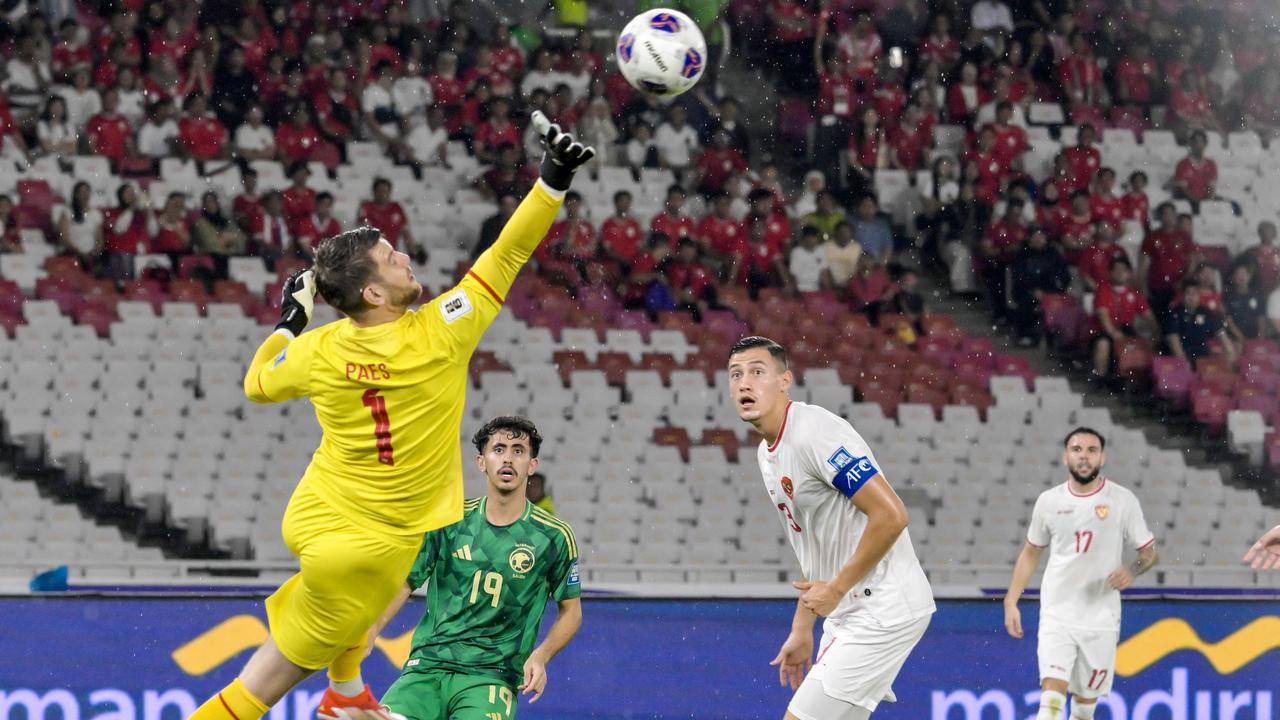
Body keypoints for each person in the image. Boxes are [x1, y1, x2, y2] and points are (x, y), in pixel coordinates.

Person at [186, 112, 593, 720]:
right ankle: (342, 692)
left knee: (312, 658)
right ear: (374, 294)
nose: (403, 256)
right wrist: (552, 182)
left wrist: (288, 324)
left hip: (316, 517)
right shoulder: (442, 332)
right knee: (254, 693)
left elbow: (256, 385)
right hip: (372, 552)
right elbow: (506, 255)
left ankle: (345, 688)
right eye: (389, 258)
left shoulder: (320, 348)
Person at [727, 337, 934, 720]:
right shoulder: (767, 453)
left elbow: (892, 515)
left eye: (757, 372)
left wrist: (836, 590)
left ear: (784, 381)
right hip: (849, 612)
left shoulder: (814, 433)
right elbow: (814, 543)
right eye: (736, 374)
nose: (744, 383)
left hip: (883, 606)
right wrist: (802, 627)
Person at [367, 417, 581, 720]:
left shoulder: (554, 537)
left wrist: (541, 656)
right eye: (498, 449)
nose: (508, 458)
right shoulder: (448, 520)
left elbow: (571, 611)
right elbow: (405, 582)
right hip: (427, 668)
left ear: (532, 465)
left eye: (519, 451)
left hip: (491, 677)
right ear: (482, 462)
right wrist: (372, 628)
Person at [1003, 427, 1158, 720]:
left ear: (1102, 458)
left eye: (1091, 450)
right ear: (1065, 458)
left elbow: (1149, 553)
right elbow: (1031, 552)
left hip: (1101, 619)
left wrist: (1132, 570)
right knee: (1050, 705)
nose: (1084, 457)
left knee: (1084, 711)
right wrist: (1011, 600)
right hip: (1057, 613)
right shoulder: (1049, 502)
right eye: (1077, 450)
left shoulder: (1122, 501)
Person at [1092, 258, 1156, 380]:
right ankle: (1100, 380)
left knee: (1142, 345)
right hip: (1104, 331)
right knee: (1103, 345)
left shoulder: (1135, 293)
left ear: (1129, 273)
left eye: (1124, 270)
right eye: (1116, 269)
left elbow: (1149, 316)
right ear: (1110, 272)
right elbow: (1104, 317)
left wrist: (1156, 333)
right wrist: (1115, 334)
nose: (1120, 272)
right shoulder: (1103, 290)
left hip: (1126, 329)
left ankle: (1135, 381)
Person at [1010, 227, 1070, 346]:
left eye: (1041, 236)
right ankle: (1026, 334)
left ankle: (1061, 337)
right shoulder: (1021, 255)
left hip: (1052, 291)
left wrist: (1054, 290)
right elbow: (1019, 277)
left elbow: (1063, 275)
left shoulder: (1053, 254)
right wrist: (1033, 290)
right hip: (1027, 290)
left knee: (1065, 303)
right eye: (1035, 236)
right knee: (1028, 302)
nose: (1039, 239)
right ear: (1029, 239)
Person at [1165, 280, 1236, 364]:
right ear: (1182, 296)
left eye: (1194, 294)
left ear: (1199, 296)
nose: (1191, 297)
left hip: (1203, 356)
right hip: (1182, 358)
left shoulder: (1206, 312)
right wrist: (1183, 362)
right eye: (1188, 293)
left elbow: (1221, 333)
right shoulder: (1174, 313)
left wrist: (1230, 351)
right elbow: (1174, 341)